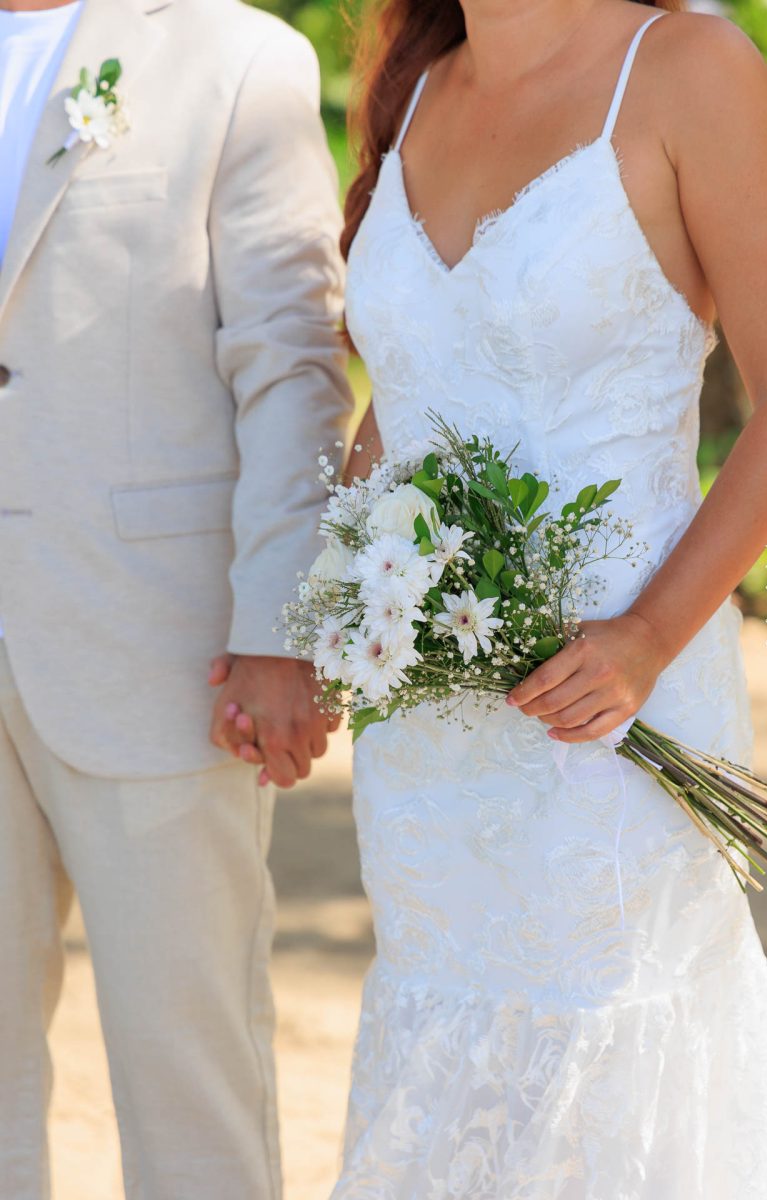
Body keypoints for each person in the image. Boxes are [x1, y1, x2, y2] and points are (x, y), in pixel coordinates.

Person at [326, 0, 767, 1193]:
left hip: (614, 715)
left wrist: (646, 636)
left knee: (610, 1066)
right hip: (430, 747)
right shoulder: (413, 82)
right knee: (448, 1063)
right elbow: (411, 383)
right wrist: (353, 578)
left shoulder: (689, 67)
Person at [0, 0, 350, 1196]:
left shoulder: (238, 56)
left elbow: (293, 362)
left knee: (185, 1069)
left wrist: (279, 628)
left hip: (157, 644)